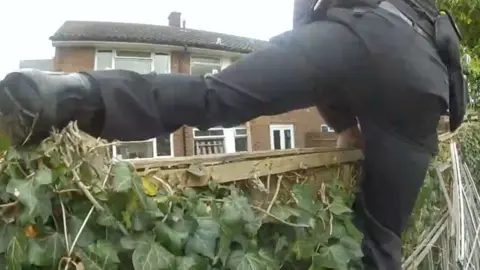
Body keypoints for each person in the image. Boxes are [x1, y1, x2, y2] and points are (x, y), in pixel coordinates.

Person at [0, 0, 465, 268]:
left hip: (344, 31)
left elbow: (311, 27)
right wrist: (352, 124)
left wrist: (338, 113)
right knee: (382, 238)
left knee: (212, 96)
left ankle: (72, 94)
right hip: (418, 68)